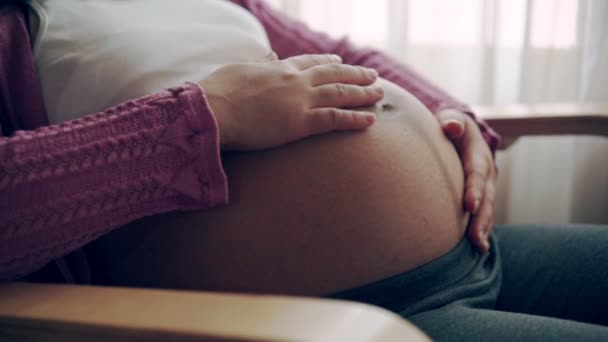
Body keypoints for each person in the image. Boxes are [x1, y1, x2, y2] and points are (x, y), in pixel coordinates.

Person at [1, 0, 606, 340]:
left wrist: (453, 115)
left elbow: (349, 52)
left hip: (478, 250)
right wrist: (206, 116)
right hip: (340, 319)